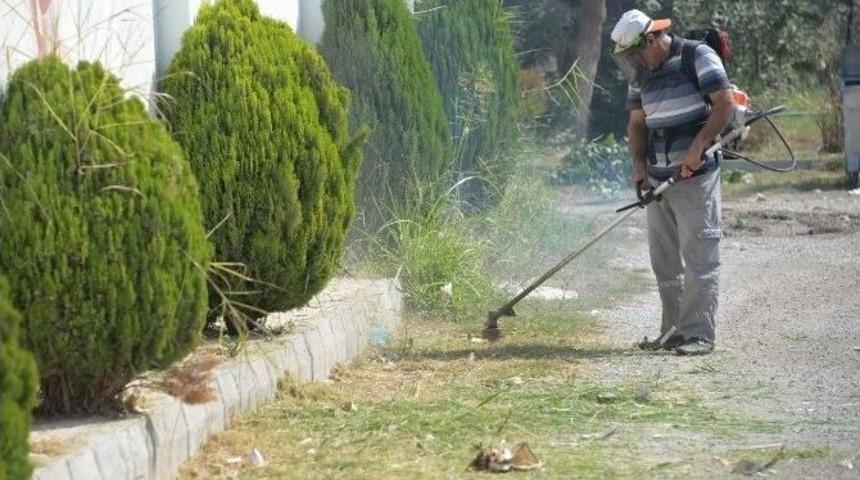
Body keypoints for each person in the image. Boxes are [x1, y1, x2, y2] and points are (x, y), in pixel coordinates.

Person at [610, 10, 735, 355]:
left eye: (635, 54)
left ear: (651, 39)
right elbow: (637, 124)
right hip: (657, 179)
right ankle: (673, 332)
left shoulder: (697, 56)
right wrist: (639, 166)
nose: (633, 63)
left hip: (695, 176)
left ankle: (699, 335)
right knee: (664, 260)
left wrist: (698, 146)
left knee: (699, 256)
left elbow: (724, 103)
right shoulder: (640, 75)